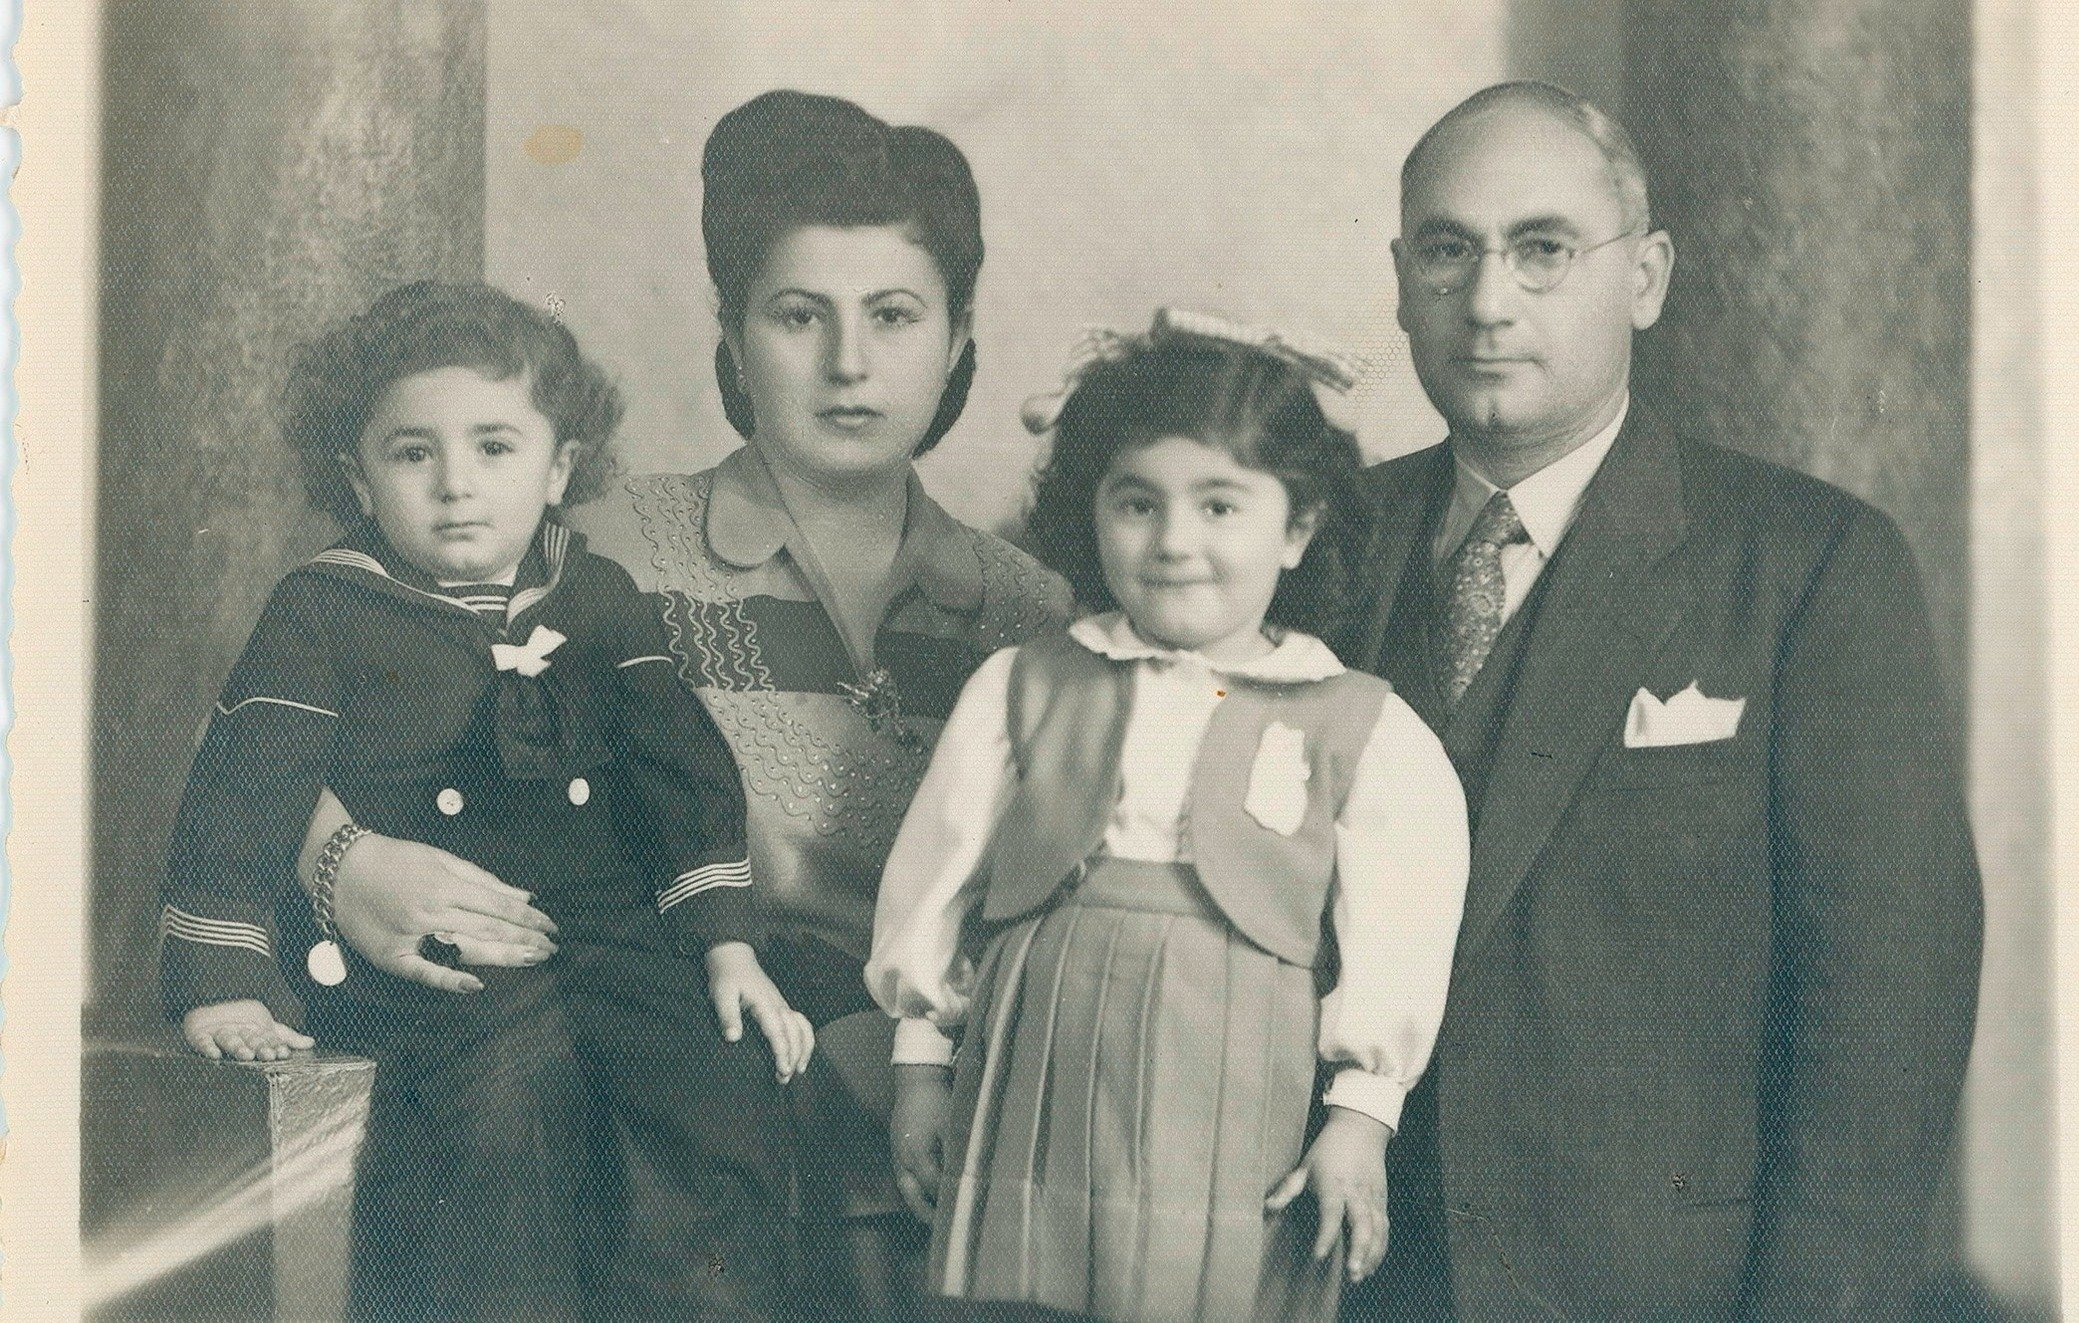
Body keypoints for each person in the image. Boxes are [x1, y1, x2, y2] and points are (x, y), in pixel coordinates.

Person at [317, 90, 1074, 1317]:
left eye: (893, 315)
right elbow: (296, 713)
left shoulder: (1031, 614)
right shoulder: (601, 554)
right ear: (732, 331)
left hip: (933, 1142)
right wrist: (344, 862)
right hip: (641, 1143)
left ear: (958, 330)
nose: (848, 363)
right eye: (797, 316)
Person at [1337, 82, 1983, 1320]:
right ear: (1402, 278)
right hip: (1348, 1285)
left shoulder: (1811, 567)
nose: (1487, 301)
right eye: (1447, 251)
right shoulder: (1313, 551)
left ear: (1647, 276)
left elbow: (1885, 1022)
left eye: (1543, 250)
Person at [160, 281, 811, 1321]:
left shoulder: (597, 598)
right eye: (413, 453)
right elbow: (248, 782)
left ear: (560, 469)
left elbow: (680, 773)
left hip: (606, 928)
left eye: (496, 449)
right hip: (431, 956)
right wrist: (220, 976)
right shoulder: (323, 607)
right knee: (507, 1108)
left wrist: (725, 943)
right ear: (357, 477)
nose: (456, 485)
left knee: (714, 1075)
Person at [866, 313, 1472, 1323]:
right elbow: (935, 883)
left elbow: (1401, 944)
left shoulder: (1360, 722)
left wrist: (1361, 1119)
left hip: (1238, 1081)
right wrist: (922, 1068)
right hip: (1041, 1063)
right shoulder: (1021, 687)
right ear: (1091, 513)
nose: (1175, 542)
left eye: (1220, 505)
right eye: (1137, 503)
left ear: (1298, 526)